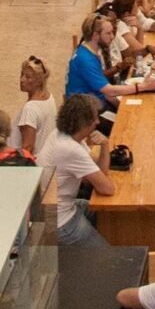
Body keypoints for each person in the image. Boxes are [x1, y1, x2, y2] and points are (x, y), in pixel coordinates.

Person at [39, 95, 112, 245]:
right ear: (84, 123)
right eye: (94, 118)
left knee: (109, 215)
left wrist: (105, 145)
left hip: (55, 209)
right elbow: (107, 188)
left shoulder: (62, 134)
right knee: (107, 257)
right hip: (61, 222)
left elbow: (99, 172)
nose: (98, 122)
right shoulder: (70, 149)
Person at [13, 55, 58, 157]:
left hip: (32, 167)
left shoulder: (30, 109)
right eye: (22, 75)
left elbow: (28, 148)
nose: (22, 80)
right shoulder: (49, 97)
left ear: (39, 80)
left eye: (28, 77)